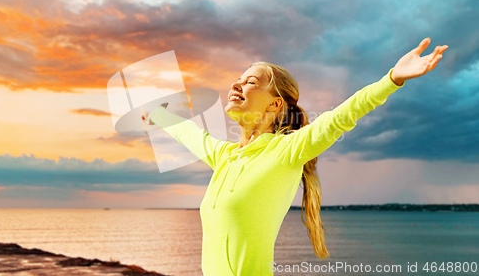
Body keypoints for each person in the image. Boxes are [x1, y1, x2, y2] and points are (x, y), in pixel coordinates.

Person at [142, 38, 448, 276]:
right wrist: (158, 116)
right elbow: (191, 134)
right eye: (238, 78)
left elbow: (340, 117)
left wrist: (392, 78)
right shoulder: (225, 156)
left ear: (275, 105)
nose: (237, 84)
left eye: (250, 81)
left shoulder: (287, 151)